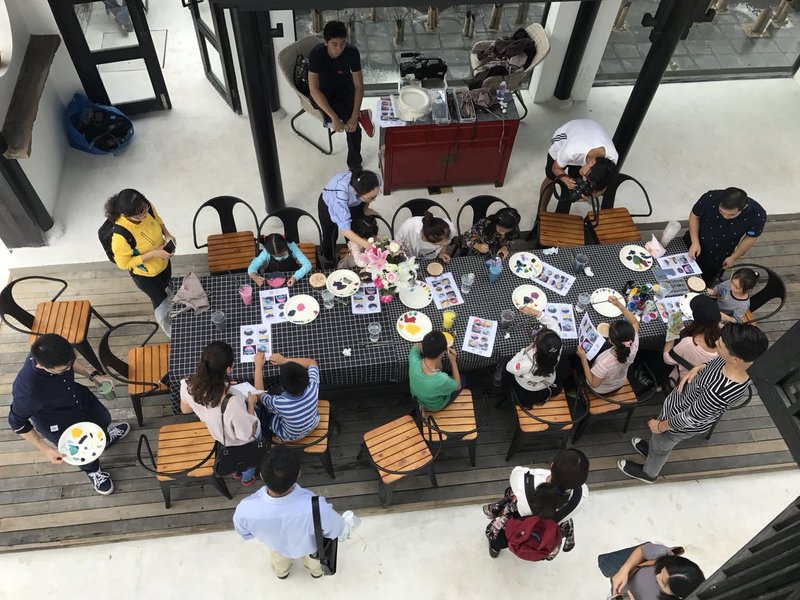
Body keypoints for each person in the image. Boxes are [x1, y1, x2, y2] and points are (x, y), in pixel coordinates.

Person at [619, 323, 769, 483]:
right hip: (680, 404)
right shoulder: (738, 362)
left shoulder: (718, 392)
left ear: (735, 359)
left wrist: (660, 426)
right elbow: (713, 364)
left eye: (720, 345)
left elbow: (690, 418)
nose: (716, 342)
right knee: (658, 442)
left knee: (662, 446)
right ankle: (652, 449)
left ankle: (649, 473)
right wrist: (698, 368)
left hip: (678, 423)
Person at [8, 334, 130, 495]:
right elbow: (17, 423)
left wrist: (93, 376)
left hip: (78, 397)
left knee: (103, 418)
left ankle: (104, 440)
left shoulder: (50, 349)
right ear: (41, 366)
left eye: (70, 364)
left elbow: (69, 363)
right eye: (63, 369)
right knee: (81, 452)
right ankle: (93, 471)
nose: (69, 368)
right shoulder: (28, 393)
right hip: (58, 420)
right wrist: (45, 449)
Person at [233, 445, 344, 579]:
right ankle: (316, 573)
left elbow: (245, 533)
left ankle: (282, 573)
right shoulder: (318, 507)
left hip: (278, 548)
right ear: (298, 473)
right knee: (315, 564)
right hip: (312, 548)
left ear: (261, 475)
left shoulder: (245, 510)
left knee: (279, 563)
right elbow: (336, 529)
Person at [180, 341, 262, 485]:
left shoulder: (188, 385)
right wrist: (251, 404)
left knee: (236, 460)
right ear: (228, 369)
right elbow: (247, 434)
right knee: (248, 461)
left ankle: (238, 472)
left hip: (221, 437)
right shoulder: (233, 402)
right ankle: (248, 478)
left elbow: (185, 409)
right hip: (242, 442)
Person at [484, 449, 590, 557]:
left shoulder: (525, 481)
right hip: (548, 529)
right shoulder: (582, 495)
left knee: (501, 538)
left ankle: (495, 549)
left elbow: (516, 472)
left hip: (519, 520)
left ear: (552, 464)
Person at [106, 188, 175, 335]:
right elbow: (123, 264)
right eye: (139, 216)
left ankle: (174, 308)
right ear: (125, 215)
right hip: (146, 276)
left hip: (163, 263)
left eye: (145, 211)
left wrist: (167, 234)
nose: (144, 216)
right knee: (161, 302)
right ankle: (171, 331)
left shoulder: (145, 207)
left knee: (168, 288)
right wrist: (153, 253)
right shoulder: (120, 237)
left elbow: (157, 219)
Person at [307, 20, 373, 171]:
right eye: (334, 44)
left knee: (353, 127)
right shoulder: (316, 54)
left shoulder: (352, 52)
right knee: (324, 105)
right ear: (326, 43)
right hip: (324, 91)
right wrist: (334, 118)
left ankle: (354, 163)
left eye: (343, 43)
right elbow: (314, 90)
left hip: (345, 89)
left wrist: (354, 116)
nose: (339, 49)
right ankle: (356, 116)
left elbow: (359, 86)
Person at [684, 187, 767, 285]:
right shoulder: (710, 197)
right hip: (694, 241)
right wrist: (695, 242)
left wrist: (734, 257)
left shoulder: (757, 215)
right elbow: (695, 216)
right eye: (721, 212)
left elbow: (750, 238)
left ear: (743, 208)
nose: (725, 217)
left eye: (731, 215)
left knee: (703, 282)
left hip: (719, 253)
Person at [539, 119, 619, 214]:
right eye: (585, 176)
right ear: (592, 162)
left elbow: (604, 186)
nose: (583, 179)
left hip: (590, 135)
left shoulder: (612, 159)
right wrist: (566, 180)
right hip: (565, 136)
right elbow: (555, 168)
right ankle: (541, 210)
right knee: (550, 177)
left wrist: (591, 196)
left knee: (579, 177)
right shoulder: (571, 151)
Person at [318, 169, 382, 266]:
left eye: (375, 196)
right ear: (356, 192)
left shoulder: (374, 180)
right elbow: (345, 230)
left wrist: (365, 209)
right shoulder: (339, 198)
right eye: (371, 198)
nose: (374, 199)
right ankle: (329, 259)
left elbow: (369, 197)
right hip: (329, 204)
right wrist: (367, 245)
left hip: (355, 200)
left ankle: (353, 256)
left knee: (357, 229)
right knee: (329, 235)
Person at [576, 296, 639, 394]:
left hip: (601, 389)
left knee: (576, 362)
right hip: (619, 382)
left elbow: (593, 383)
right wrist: (618, 304)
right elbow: (634, 321)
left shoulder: (605, 363)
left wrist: (583, 358)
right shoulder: (634, 341)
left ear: (611, 341)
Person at [254, 352, 320, 442]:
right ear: (307, 378)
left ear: (282, 387)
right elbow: (312, 363)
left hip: (289, 436)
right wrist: (285, 360)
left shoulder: (279, 403)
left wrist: (258, 367)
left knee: (265, 413)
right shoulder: (313, 387)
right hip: (313, 424)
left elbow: (259, 395)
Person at [609, 543, 705, 600]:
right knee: (606, 564)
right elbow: (642, 550)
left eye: (663, 582)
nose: (657, 576)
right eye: (661, 570)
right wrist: (624, 569)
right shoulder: (663, 556)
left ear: (678, 596)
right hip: (622, 579)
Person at [663, 295, 721, 385]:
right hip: (702, 382)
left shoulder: (689, 343)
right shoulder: (725, 340)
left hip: (682, 382)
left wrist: (671, 336)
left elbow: (668, 359)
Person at [503, 327, 563, 407]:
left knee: (505, 371)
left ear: (537, 347)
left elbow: (509, 367)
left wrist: (524, 351)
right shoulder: (557, 349)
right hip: (546, 382)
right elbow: (554, 326)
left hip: (528, 388)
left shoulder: (527, 364)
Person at [408, 331, 463, 411]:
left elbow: (416, 346)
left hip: (418, 398)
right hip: (434, 406)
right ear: (442, 354)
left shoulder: (413, 358)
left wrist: (430, 349)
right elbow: (458, 386)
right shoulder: (442, 379)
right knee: (463, 378)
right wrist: (453, 361)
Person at [248, 233, 312, 288]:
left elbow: (307, 265)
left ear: (285, 246)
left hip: (291, 278)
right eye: (274, 255)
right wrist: (254, 276)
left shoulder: (291, 246)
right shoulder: (266, 252)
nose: (278, 257)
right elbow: (253, 266)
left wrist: (295, 277)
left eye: (281, 254)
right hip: (272, 281)